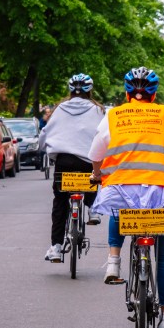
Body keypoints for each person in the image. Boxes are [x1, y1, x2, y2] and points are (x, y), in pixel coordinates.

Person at [88, 67, 164, 328]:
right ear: (154, 95)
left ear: (126, 93)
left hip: (125, 188)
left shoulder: (114, 115)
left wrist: (97, 175)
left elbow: (96, 152)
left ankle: (113, 261)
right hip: (161, 190)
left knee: (118, 204)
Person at [38, 74, 105, 262]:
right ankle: (93, 209)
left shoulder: (59, 109)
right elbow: (104, 135)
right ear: (90, 91)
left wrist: (43, 149)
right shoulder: (98, 110)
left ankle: (56, 247)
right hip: (87, 161)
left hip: (64, 161)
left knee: (60, 201)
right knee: (94, 175)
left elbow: (45, 132)